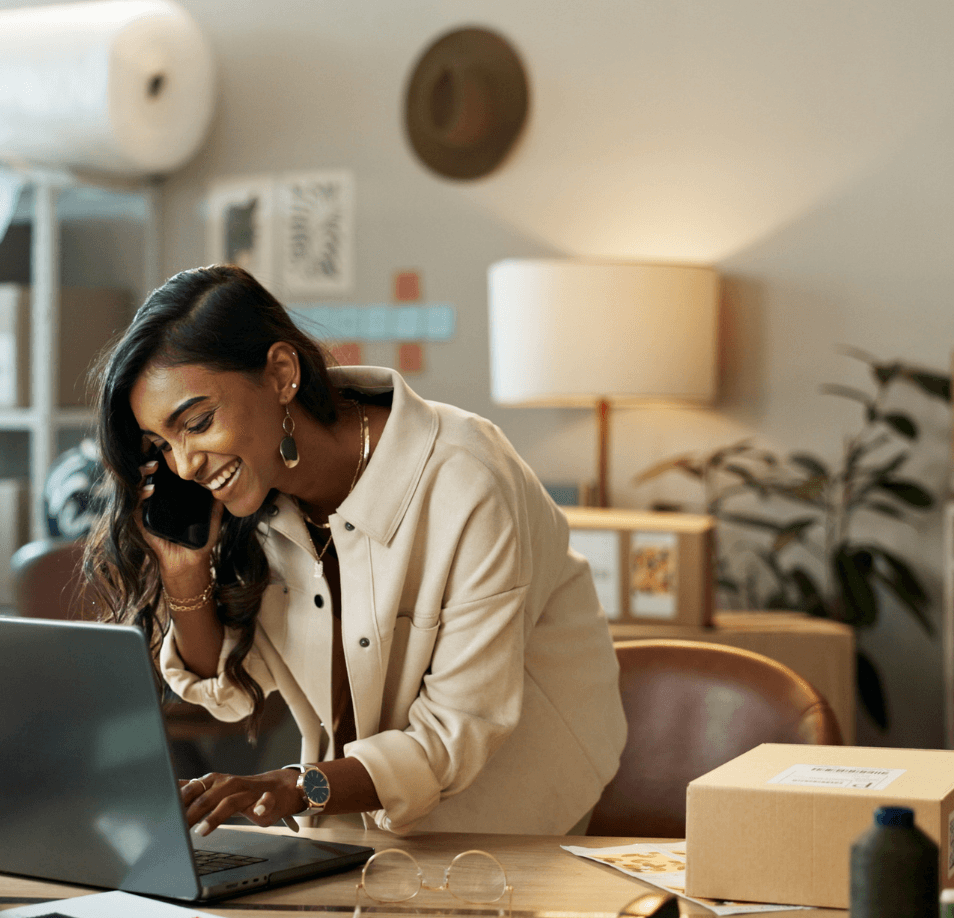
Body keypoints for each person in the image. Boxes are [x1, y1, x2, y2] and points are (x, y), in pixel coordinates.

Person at [84, 263, 627, 837]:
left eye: (197, 422)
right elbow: (229, 695)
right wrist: (184, 572)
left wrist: (291, 787)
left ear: (281, 374)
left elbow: (455, 734)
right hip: (351, 822)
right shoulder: (257, 501)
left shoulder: (464, 478)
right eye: (161, 445)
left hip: (513, 821)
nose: (185, 465)